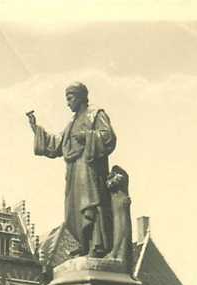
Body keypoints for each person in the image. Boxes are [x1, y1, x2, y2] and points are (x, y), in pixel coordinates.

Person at [28, 82, 116, 258]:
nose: (67, 103)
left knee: (91, 206)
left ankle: (96, 244)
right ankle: (84, 244)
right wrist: (35, 129)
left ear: (81, 97)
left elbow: (108, 138)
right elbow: (56, 144)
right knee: (73, 211)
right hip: (74, 172)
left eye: (70, 98)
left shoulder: (96, 114)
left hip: (89, 171)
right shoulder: (71, 123)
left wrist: (87, 136)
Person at [106, 165, 133, 270]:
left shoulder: (120, 174)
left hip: (120, 204)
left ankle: (119, 253)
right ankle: (117, 252)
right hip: (117, 204)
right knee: (118, 228)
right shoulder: (119, 175)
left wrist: (107, 179)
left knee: (121, 227)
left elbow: (110, 184)